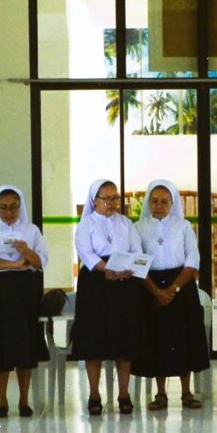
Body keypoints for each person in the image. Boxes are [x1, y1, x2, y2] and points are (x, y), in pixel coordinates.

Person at [70, 177, 145, 417]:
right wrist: (106, 269)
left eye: (116, 198)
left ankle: (124, 393)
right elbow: (85, 252)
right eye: (107, 198)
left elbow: (138, 251)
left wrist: (126, 268)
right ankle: (94, 394)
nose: (112, 203)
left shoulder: (125, 223)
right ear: (95, 200)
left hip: (124, 282)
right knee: (94, 340)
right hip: (96, 283)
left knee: (124, 338)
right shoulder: (86, 224)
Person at [0, 185, 49, 418]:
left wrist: (25, 251)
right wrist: (15, 264)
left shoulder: (31, 230)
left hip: (25, 292)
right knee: (0, 348)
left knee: (24, 348)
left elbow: (41, 261)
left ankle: (25, 400)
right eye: (3, 208)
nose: (8, 212)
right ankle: (3, 400)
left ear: (20, 206)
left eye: (13, 207)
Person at [135, 179, 210, 412]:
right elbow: (137, 261)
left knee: (183, 338)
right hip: (150, 285)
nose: (158, 205)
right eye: (154, 201)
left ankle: (187, 393)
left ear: (172, 203)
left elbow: (192, 261)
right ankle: (160, 393)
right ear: (148, 202)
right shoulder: (138, 228)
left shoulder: (183, 226)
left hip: (181, 285)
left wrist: (173, 289)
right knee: (156, 338)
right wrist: (156, 290)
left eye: (164, 201)